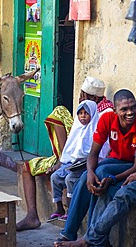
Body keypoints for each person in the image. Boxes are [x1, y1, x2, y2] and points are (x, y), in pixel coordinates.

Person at [16, 76, 114, 231]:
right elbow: (75, 138)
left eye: (83, 95)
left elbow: (97, 147)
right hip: (70, 157)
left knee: (59, 112)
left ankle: (66, 213)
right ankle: (33, 215)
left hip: (87, 160)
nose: (80, 97)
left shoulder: (103, 113)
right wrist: (64, 159)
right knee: (30, 168)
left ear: (94, 98)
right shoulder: (86, 109)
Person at [57, 89, 136, 242]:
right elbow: (93, 153)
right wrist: (90, 172)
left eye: (133, 107)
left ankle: (91, 239)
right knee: (87, 176)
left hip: (134, 165)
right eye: (124, 109)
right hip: (115, 161)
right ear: (114, 110)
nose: (130, 112)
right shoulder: (107, 119)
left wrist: (113, 179)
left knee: (103, 172)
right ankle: (69, 232)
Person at [53, 165, 136, 247]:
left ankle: (90, 239)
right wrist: (90, 171)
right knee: (93, 179)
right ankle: (87, 238)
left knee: (124, 191)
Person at [50, 100, 109, 221]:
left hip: (86, 165)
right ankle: (59, 208)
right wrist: (63, 162)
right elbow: (69, 151)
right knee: (55, 177)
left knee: (70, 179)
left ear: (92, 114)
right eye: (80, 113)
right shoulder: (77, 128)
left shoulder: (96, 129)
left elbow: (100, 153)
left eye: (86, 113)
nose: (82, 116)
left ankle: (70, 211)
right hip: (72, 164)